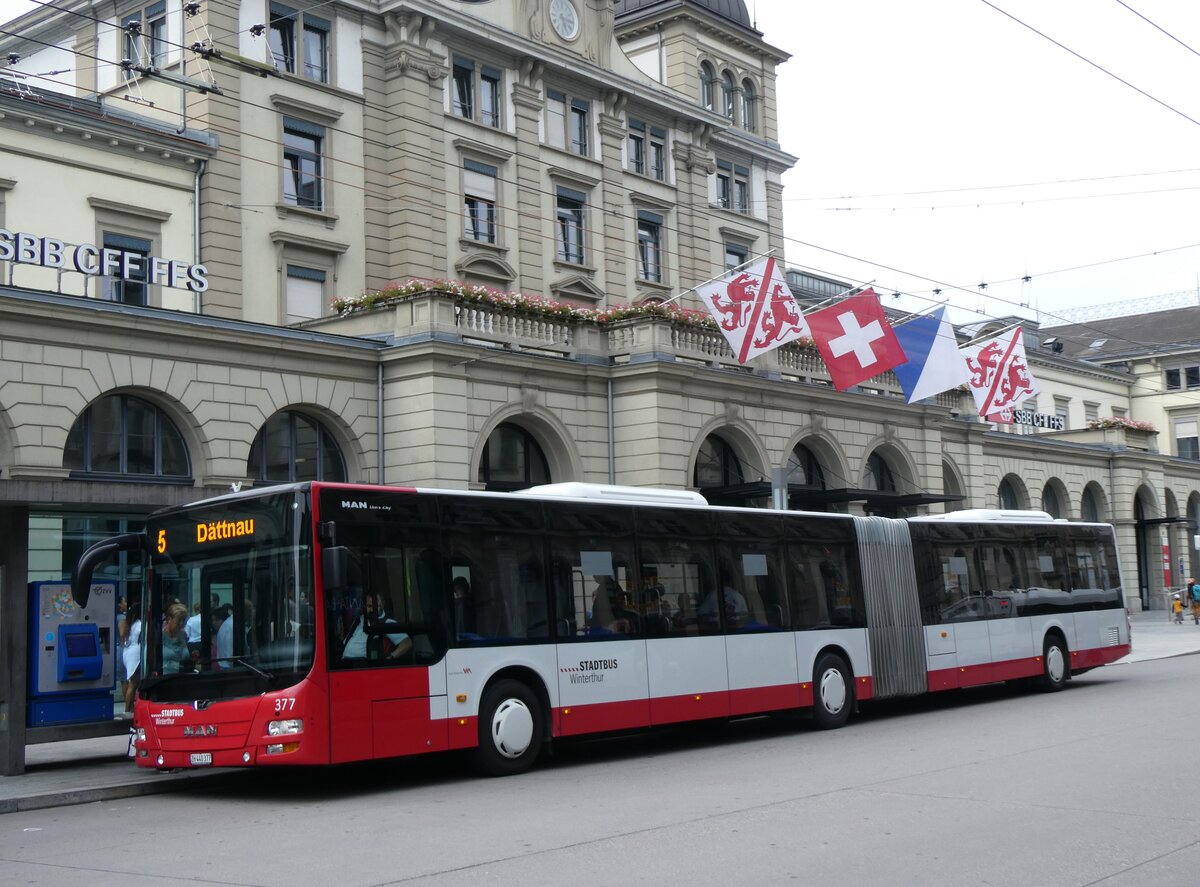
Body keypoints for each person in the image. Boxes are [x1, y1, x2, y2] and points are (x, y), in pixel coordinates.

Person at [341, 593, 412, 662]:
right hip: (345, 663)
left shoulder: (386, 622)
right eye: (369, 606)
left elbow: (407, 642)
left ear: (382, 605)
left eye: (375, 606)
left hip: (363, 666)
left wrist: (391, 657)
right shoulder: (359, 619)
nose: (372, 609)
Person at [121, 604, 142, 713]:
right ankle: (127, 710)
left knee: (131, 682)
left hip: (127, 653)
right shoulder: (140, 624)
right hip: (136, 654)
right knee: (133, 684)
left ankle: (128, 708)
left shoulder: (128, 625)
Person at [161, 601, 190, 674]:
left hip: (182, 678)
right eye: (178, 620)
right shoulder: (160, 636)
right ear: (169, 619)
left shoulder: (183, 635)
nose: (181, 623)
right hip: (165, 679)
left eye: (183, 620)